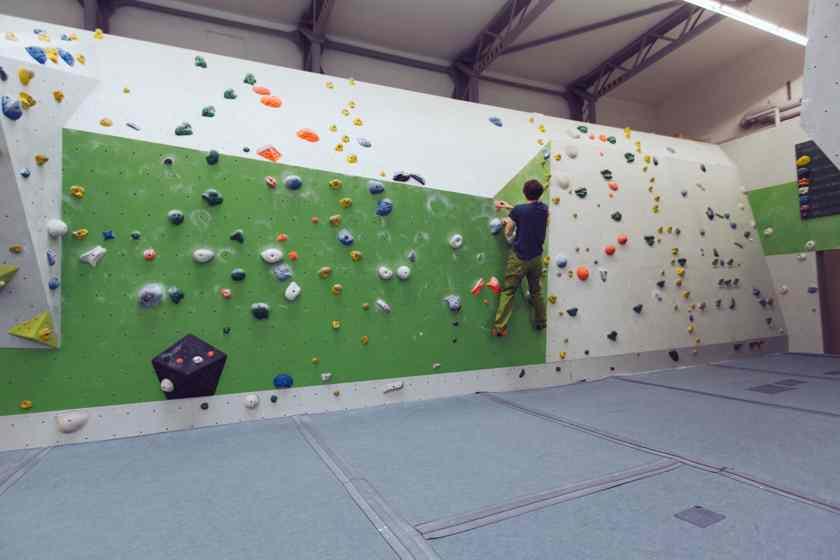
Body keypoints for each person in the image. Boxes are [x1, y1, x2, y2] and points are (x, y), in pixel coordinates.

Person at [492, 179, 548, 337]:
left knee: (509, 291)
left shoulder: (519, 211)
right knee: (536, 292)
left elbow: (509, 231)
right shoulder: (544, 209)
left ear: (524, 193)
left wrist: (507, 226)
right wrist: (510, 208)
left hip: (519, 258)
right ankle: (541, 321)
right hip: (536, 258)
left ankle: (499, 327)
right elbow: (527, 212)